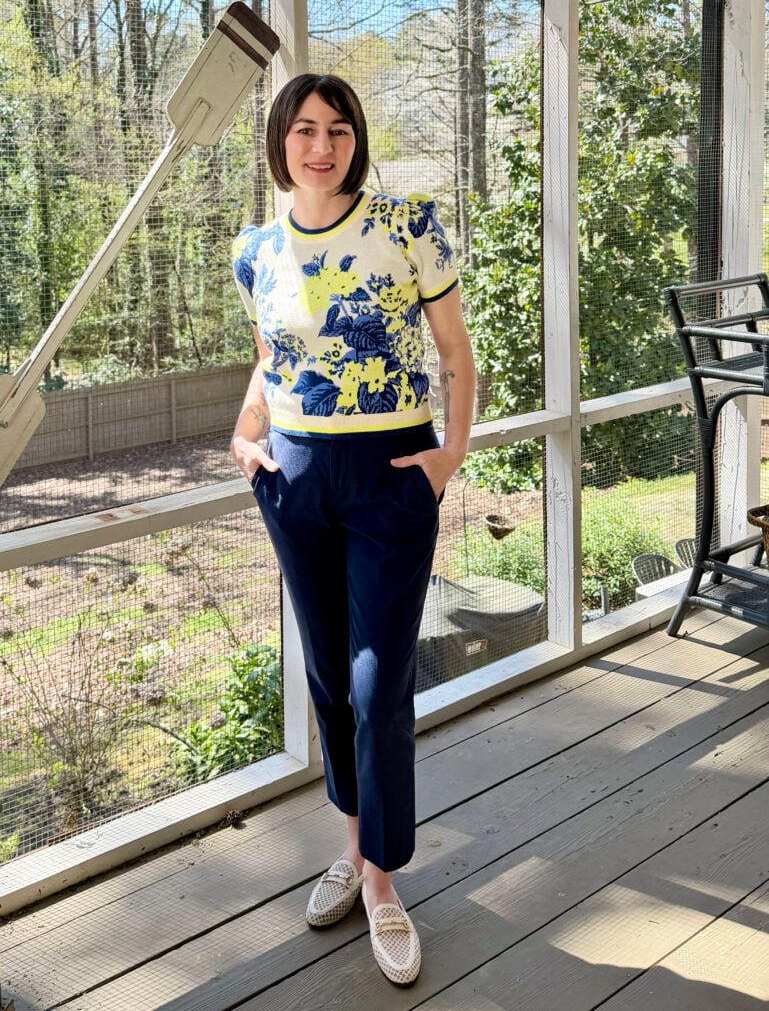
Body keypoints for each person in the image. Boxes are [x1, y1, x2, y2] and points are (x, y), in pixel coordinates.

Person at [230, 72, 475, 986]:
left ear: (355, 139)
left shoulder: (408, 225)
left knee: (378, 686)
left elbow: (454, 353)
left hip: (390, 473)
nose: (320, 146)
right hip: (296, 476)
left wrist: (448, 454)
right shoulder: (255, 248)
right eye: (303, 130)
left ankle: (381, 882)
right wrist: (243, 432)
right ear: (279, 142)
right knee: (330, 674)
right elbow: (272, 358)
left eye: (336, 129)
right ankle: (352, 843)